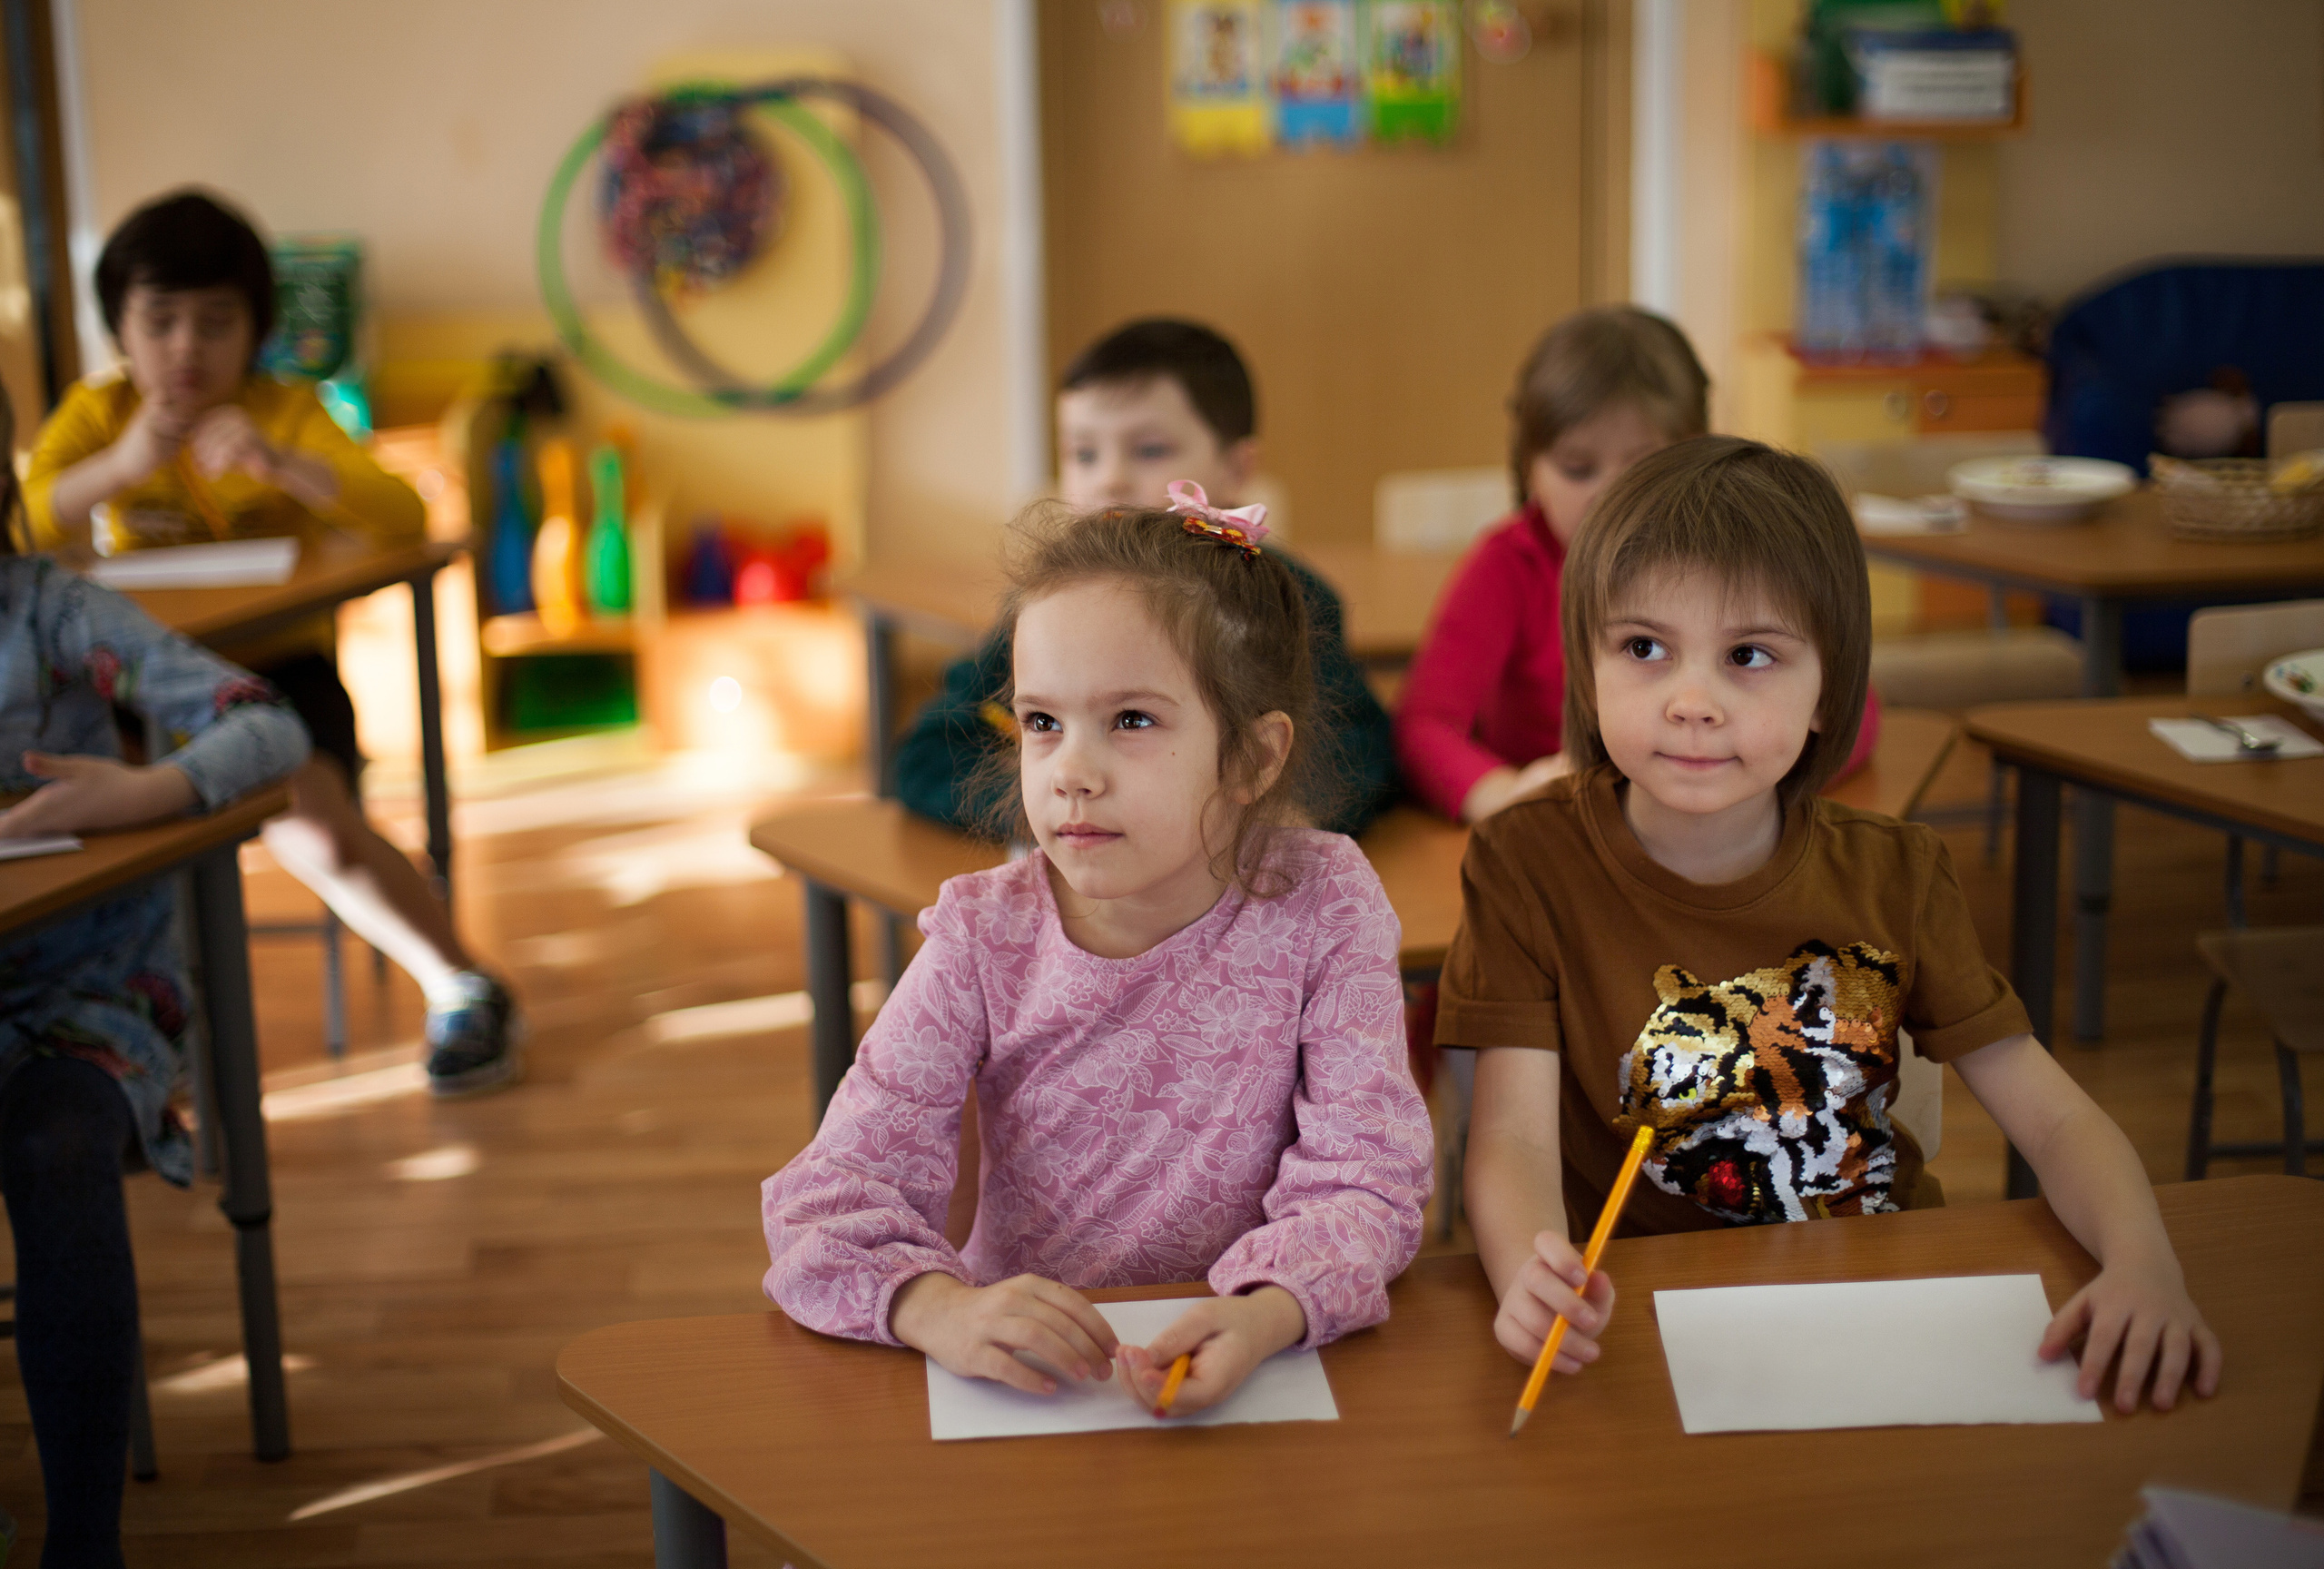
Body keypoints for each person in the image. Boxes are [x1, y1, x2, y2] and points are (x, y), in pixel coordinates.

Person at [1443, 437, 2221, 1414]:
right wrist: (1529, 1270)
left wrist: (2144, 1264)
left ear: (1827, 694)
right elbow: (1510, 1138)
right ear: (1586, 670)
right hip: (1644, 1320)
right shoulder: (1525, 862)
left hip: (1879, 1296)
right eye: (1643, 649)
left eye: (1749, 656)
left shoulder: (1895, 874)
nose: (1690, 703)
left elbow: (2055, 1116)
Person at [763, 489, 1432, 1415]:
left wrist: (1267, 1312)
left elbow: (1368, 1176)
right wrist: (941, 1309)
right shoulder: (981, 937)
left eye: (1130, 720)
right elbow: (829, 1198)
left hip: (1260, 1370)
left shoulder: (1327, 901)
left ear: (1251, 758)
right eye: (1042, 723)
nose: (1071, 770)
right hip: (1034, 1387)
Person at [24, 189, 518, 1096]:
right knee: (69, 817)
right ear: (119, 329)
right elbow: (23, 523)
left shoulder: (282, 408)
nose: (185, 348)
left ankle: (462, 982)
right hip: (138, 691)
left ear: (255, 330)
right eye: (160, 321)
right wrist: (121, 467)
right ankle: (121, 1048)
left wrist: (283, 463)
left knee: (315, 825)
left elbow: (402, 515)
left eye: (216, 323)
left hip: (276, 675)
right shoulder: (100, 416)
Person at [0, 380, 309, 1568]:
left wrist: (144, 792)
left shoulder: (47, 612)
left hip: (86, 998)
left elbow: (265, 723)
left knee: (59, 1147)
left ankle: (87, 1545)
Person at [891, 318, 1398, 838]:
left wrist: (1254, 819)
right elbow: (926, 755)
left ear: (1236, 466)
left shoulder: (1288, 597)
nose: (1109, 478)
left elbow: (1358, 754)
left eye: (1151, 450)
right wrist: (1052, 805)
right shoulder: (1049, 604)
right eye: (1084, 453)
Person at [1395, 306, 1881, 824]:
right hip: (1565, 829)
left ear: (1695, 455)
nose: (1611, 495)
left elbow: (1854, 708)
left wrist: (1751, 775)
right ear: (1528, 469)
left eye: (1643, 466)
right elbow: (1425, 723)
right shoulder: (1507, 564)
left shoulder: (1739, 562)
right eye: (1578, 468)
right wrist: (1503, 792)